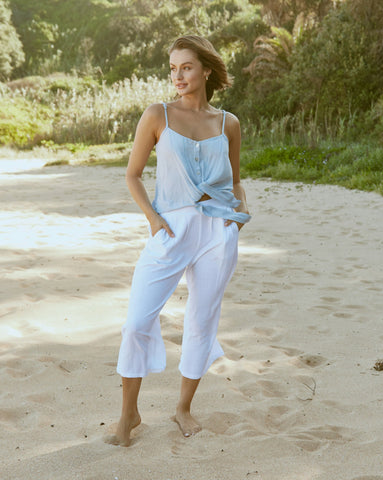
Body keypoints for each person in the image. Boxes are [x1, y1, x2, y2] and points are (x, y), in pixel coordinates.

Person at [104, 35, 251, 447]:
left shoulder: (229, 123)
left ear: (206, 70)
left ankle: (183, 407)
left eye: (185, 67)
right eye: (172, 68)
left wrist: (235, 221)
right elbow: (132, 175)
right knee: (136, 322)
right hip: (171, 229)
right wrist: (152, 219)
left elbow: (236, 181)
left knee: (201, 320)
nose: (178, 76)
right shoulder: (158, 115)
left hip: (217, 233)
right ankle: (129, 413)